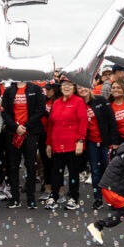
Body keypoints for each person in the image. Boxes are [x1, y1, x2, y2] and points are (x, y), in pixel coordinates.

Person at [2, 80, 47, 209]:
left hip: (31, 133)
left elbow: (40, 110)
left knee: (31, 165)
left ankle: (31, 199)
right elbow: (4, 111)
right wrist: (15, 127)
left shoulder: (36, 89)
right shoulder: (9, 90)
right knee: (13, 166)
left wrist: (25, 127)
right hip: (13, 133)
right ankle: (15, 198)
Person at [45, 77, 87, 210]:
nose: (66, 87)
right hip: (57, 144)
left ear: (74, 87)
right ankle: (54, 196)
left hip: (72, 144)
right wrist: (49, 143)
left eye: (69, 84)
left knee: (73, 173)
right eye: (63, 84)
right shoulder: (56, 103)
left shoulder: (78, 101)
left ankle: (74, 198)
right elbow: (51, 125)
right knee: (56, 172)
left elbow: (83, 122)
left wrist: (80, 140)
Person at [77, 84, 118, 210]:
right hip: (91, 143)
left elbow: (111, 120)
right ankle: (98, 198)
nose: (82, 89)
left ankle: (112, 200)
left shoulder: (100, 100)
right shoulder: (78, 103)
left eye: (83, 87)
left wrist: (115, 141)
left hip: (105, 142)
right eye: (79, 88)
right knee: (95, 171)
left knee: (108, 171)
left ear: (89, 87)